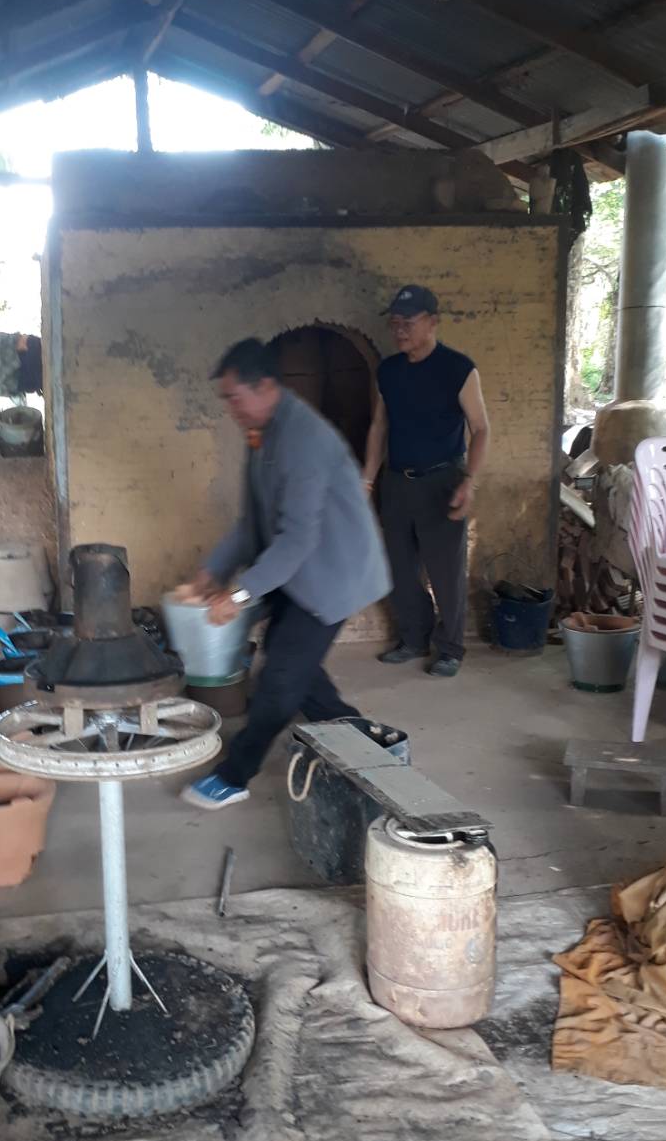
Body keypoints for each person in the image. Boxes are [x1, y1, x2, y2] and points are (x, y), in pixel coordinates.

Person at [181, 337, 391, 811]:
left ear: (266, 386)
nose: (230, 408)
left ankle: (235, 774)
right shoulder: (262, 433)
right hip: (296, 569)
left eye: (235, 397)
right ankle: (362, 735)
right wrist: (211, 570)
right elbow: (251, 521)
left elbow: (297, 540)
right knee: (288, 661)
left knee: (278, 681)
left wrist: (236, 595)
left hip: (331, 574)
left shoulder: (304, 440)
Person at [364, 284, 490, 679]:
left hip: (443, 482)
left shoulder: (458, 369)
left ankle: (450, 647)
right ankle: (414, 638)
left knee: (445, 572)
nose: (400, 330)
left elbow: (481, 428)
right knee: (400, 568)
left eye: (409, 322)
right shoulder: (388, 371)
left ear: (432, 322)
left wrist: (470, 480)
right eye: (394, 323)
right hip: (398, 483)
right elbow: (379, 425)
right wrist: (367, 480)